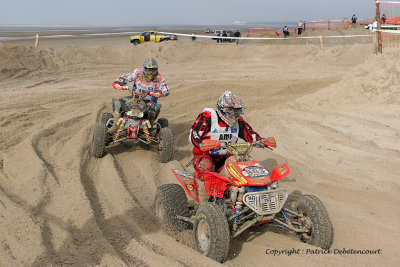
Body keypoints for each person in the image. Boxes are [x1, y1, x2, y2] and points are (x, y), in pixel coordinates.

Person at [189, 91, 270, 203]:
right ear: (222, 109)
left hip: (226, 156)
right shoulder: (208, 117)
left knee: (245, 165)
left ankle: (242, 199)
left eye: (237, 110)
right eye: (231, 110)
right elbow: (193, 133)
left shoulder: (239, 121)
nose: (235, 114)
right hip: (204, 156)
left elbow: (250, 134)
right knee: (207, 168)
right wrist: (200, 143)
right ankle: (203, 205)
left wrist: (261, 140)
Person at [110, 58, 170, 130]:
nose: (151, 73)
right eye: (149, 70)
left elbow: (166, 91)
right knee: (118, 103)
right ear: (145, 69)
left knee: (152, 111)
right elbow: (125, 78)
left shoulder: (159, 78)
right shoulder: (138, 72)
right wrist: (119, 83)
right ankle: (115, 124)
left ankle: (149, 129)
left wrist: (156, 93)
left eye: (154, 70)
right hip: (134, 98)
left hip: (149, 101)